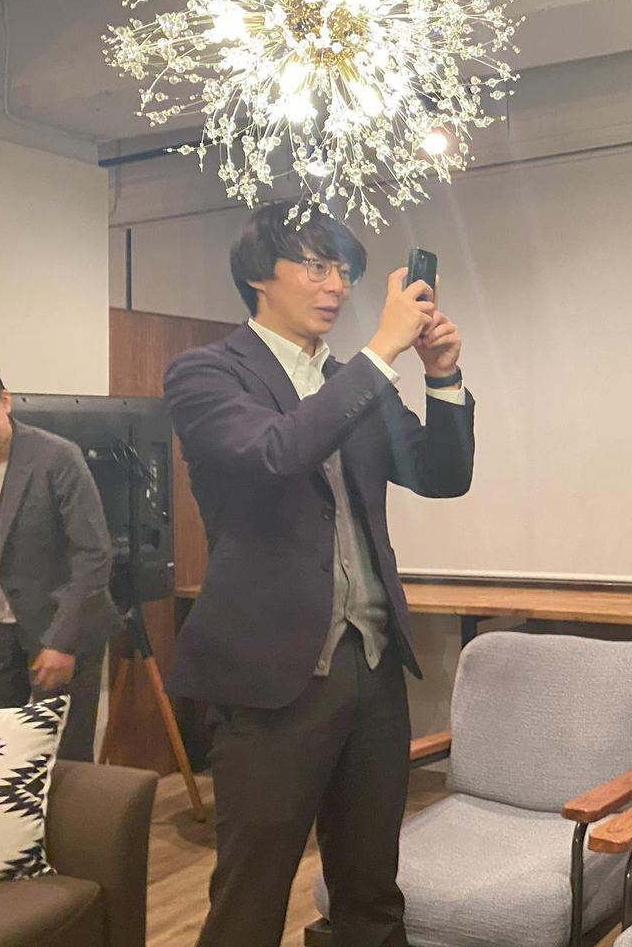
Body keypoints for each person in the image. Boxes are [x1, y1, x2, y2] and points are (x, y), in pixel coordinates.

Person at [164, 205, 475, 947]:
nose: (336, 284)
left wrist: (442, 377)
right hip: (269, 680)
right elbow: (276, 452)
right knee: (251, 897)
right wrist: (381, 350)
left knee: (371, 891)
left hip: (372, 667)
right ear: (257, 275)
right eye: (315, 265)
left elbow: (441, 475)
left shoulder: (352, 380)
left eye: (343, 270)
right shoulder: (206, 373)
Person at [0, 358, 121, 760]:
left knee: (63, 757)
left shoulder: (56, 458)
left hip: (61, 623)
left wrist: (63, 641)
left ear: (4, 401)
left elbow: (93, 554)